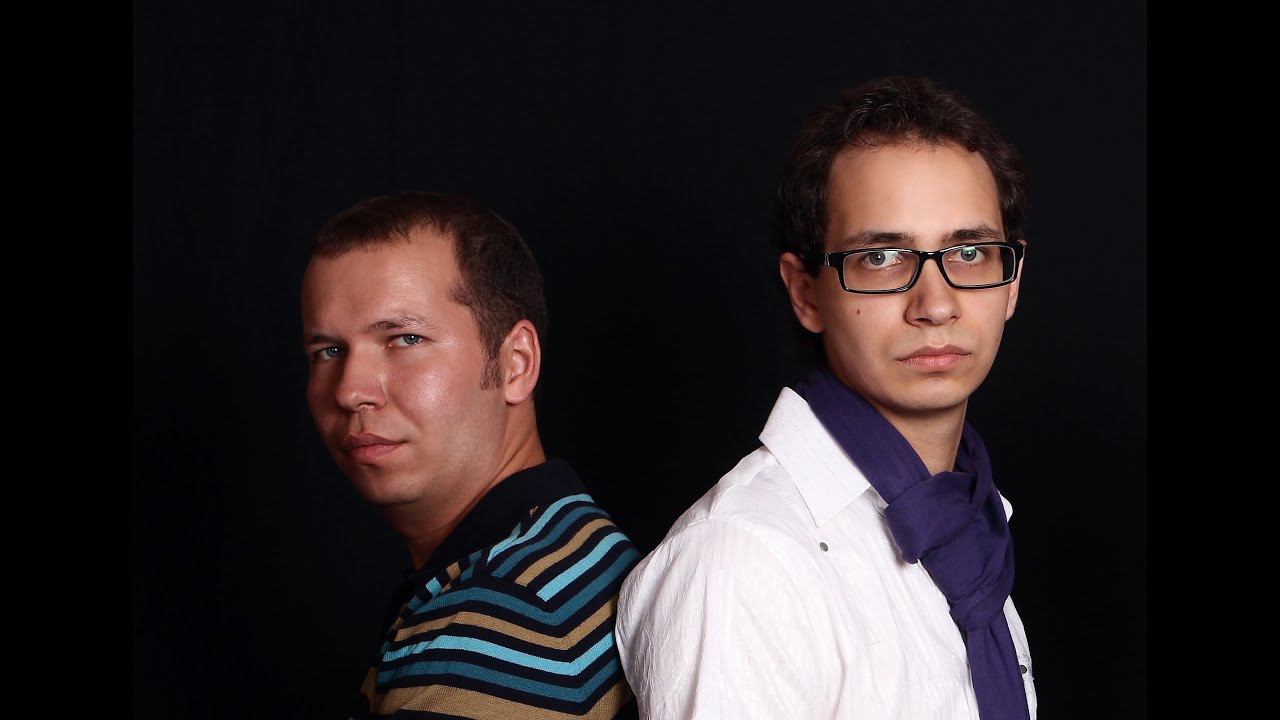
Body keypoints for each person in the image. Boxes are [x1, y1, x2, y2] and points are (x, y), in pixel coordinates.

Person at [615, 77, 1039, 719]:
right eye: (883, 258)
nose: (936, 304)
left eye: (971, 252)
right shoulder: (745, 561)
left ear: (1011, 282)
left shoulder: (968, 530)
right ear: (805, 292)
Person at [300, 192, 641, 719]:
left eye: (405, 339)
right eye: (329, 351)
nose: (349, 391)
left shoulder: (491, 633)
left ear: (515, 364)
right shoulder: (570, 543)